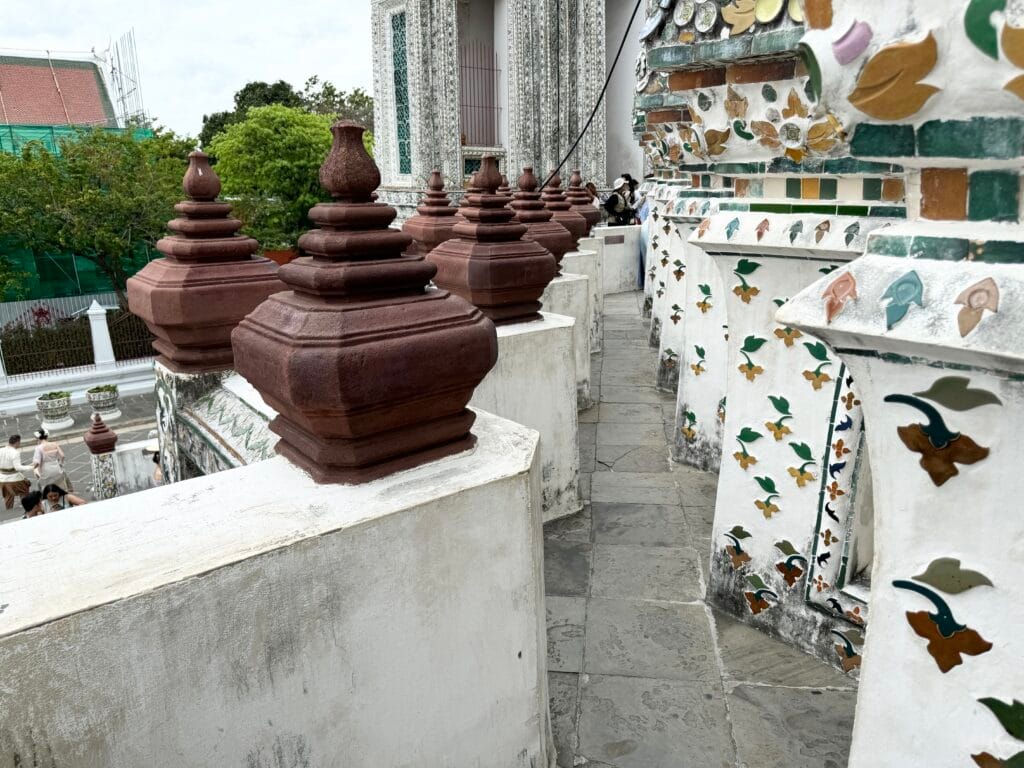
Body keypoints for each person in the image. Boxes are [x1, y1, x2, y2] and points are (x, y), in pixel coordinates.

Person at [0, 434, 36, 511]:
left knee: (8, 497)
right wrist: (32, 467)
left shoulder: (0, 450)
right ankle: (27, 507)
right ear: (17, 442)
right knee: (24, 491)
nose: (19, 445)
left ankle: (9, 511)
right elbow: (18, 468)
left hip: (2, 479)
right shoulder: (15, 452)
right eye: (19, 443)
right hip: (14, 479)